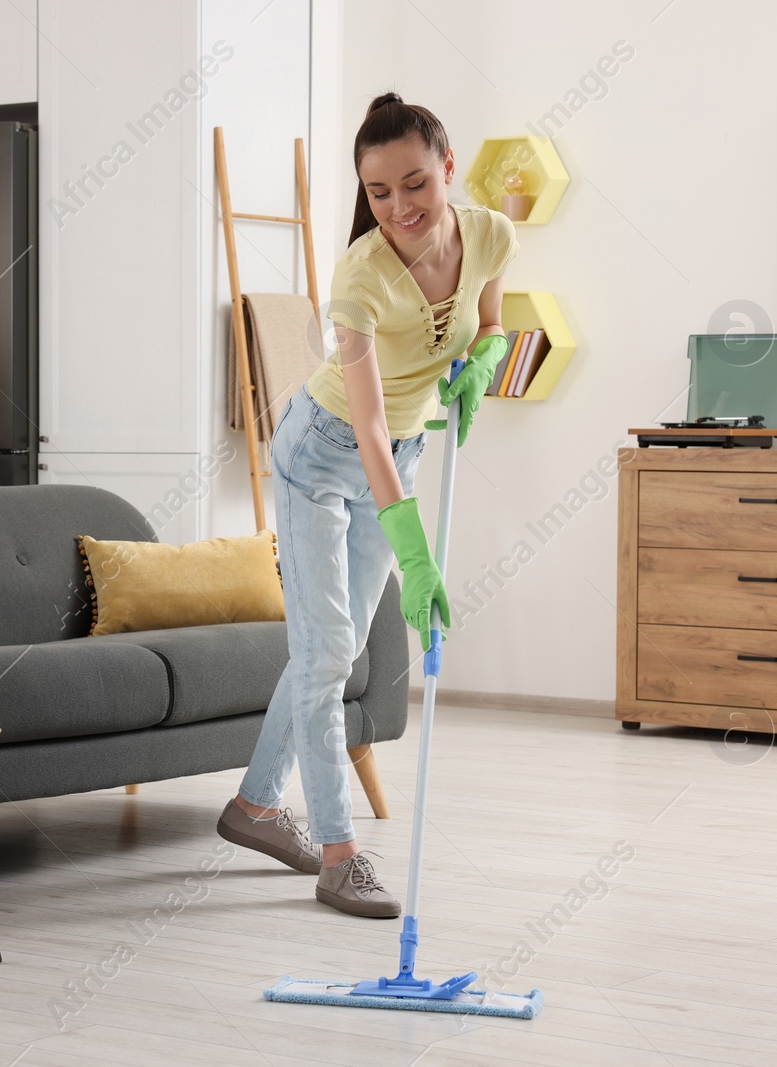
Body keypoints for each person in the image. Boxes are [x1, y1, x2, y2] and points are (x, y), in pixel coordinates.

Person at [216, 94, 517, 917]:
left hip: (403, 452)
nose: (400, 208)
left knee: (325, 652)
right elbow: (373, 427)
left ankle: (253, 806)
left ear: (449, 167)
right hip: (323, 454)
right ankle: (339, 856)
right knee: (329, 650)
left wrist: (482, 359)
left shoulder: (490, 232)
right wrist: (416, 557)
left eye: (415, 183)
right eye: (378, 193)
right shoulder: (359, 278)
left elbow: (490, 317)